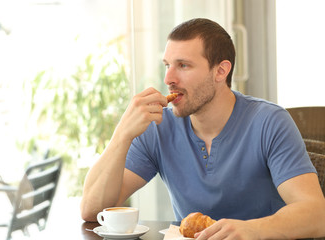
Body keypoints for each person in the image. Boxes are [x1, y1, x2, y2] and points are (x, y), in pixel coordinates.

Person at [81, 18, 325, 239]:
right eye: (167, 65)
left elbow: (317, 214)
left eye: (183, 65)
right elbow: (93, 211)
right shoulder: (158, 126)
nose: (168, 79)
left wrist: (253, 229)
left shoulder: (270, 122)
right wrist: (122, 134)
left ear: (221, 71)